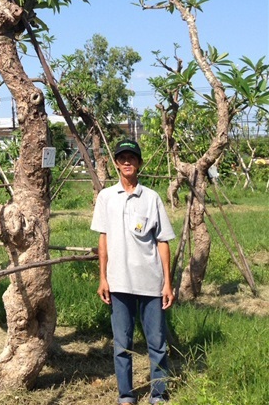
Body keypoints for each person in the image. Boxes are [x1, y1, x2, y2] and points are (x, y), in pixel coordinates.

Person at [91, 139, 175, 404]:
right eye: (122, 158)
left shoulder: (151, 198)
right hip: (118, 283)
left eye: (132, 157)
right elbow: (103, 241)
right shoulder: (106, 197)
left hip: (151, 282)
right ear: (116, 163)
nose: (127, 162)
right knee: (122, 345)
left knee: (156, 343)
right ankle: (126, 395)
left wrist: (167, 283)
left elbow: (162, 241)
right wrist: (103, 278)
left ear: (139, 163)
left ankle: (158, 394)